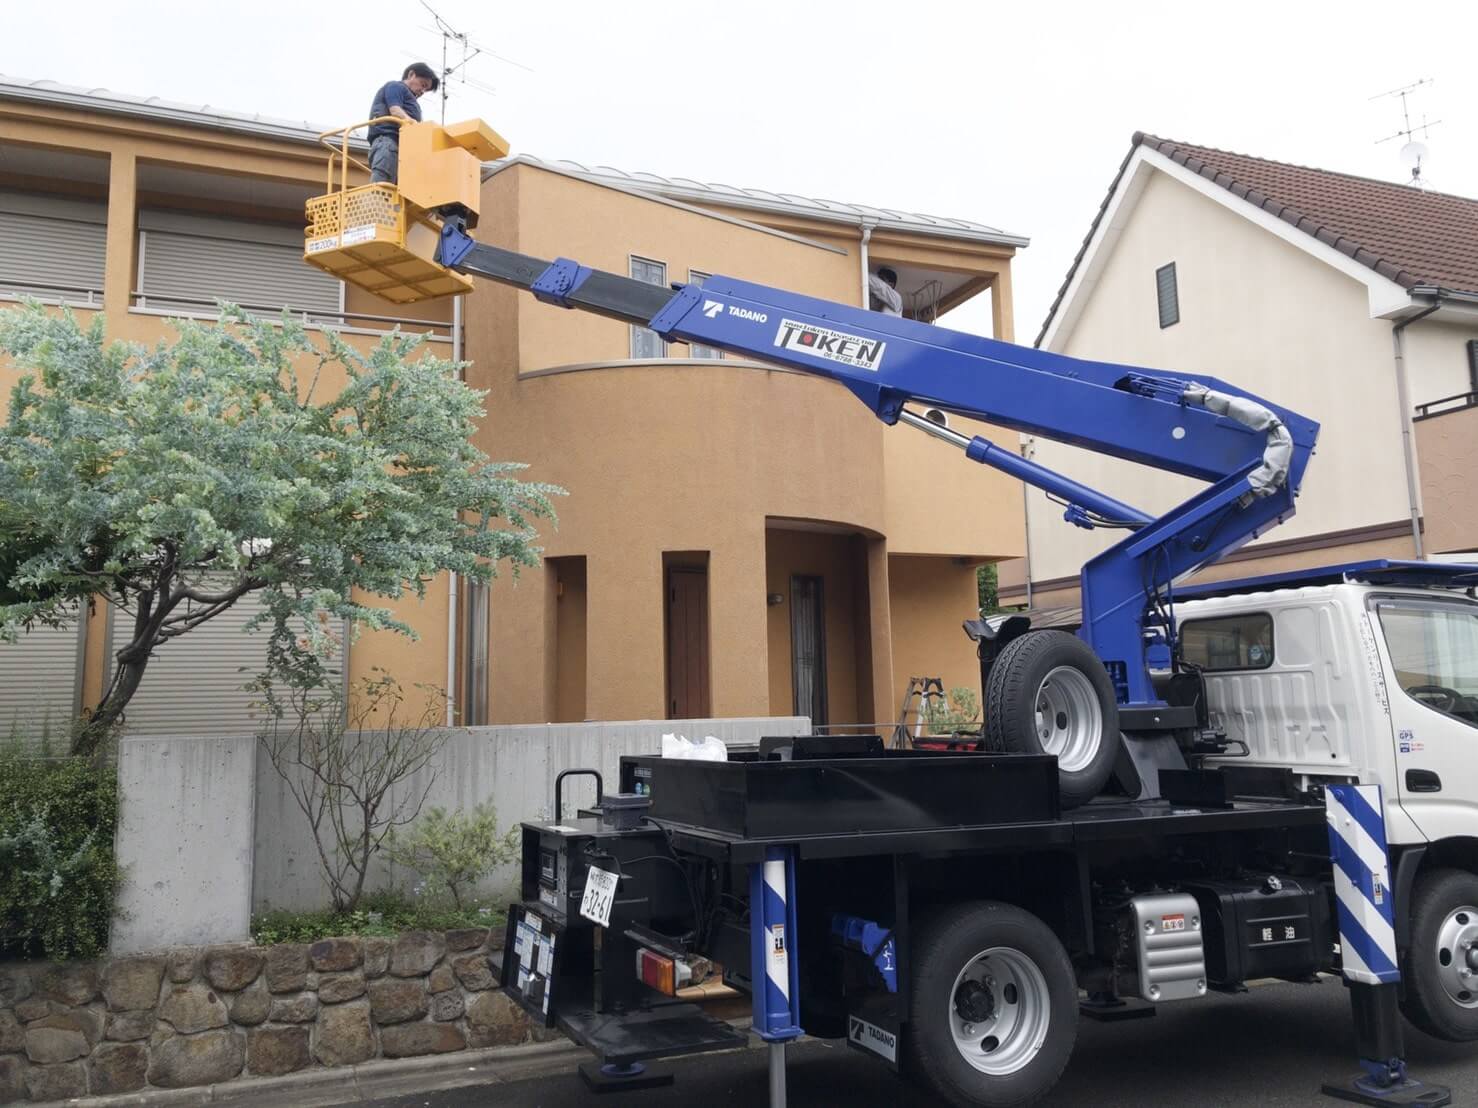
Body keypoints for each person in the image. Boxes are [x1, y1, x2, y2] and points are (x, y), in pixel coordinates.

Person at [368, 63, 440, 185]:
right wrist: (414, 124)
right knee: (382, 185)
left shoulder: (411, 99)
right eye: (423, 85)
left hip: (401, 149)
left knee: (395, 190)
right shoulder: (396, 87)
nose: (422, 91)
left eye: (425, 90)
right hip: (388, 142)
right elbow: (395, 110)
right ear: (411, 74)